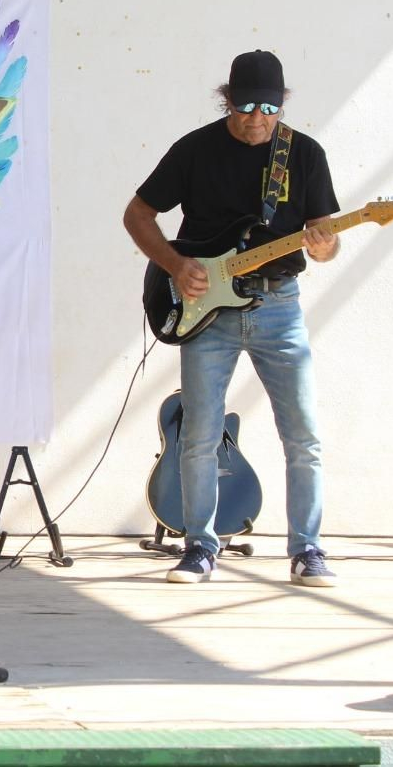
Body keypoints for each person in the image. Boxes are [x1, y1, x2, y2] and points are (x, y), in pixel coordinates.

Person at [122, 49, 341, 588]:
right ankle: (199, 545)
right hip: (206, 311)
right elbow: (137, 214)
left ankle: (307, 549)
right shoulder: (194, 150)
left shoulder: (304, 154)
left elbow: (326, 244)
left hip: (279, 306)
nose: (257, 118)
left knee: (303, 432)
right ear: (226, 100)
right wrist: (174, 265)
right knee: (199, 431)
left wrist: (325, 244)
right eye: (245, 106)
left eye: (268, 107)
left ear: (282, 103)